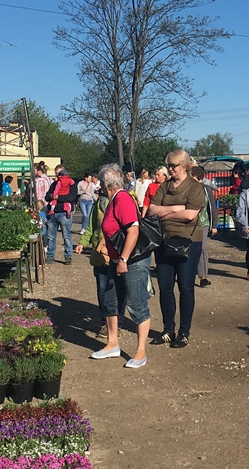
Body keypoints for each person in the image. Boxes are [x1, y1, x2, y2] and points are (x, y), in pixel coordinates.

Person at [89, 164, 152, 368]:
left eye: (100, 182)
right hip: (115, 260)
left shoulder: (123, 198)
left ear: (106, 183)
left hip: (131, 260)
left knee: (137, 303)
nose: (98, 186)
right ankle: (112, 343)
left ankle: (140, 351)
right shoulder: (112, 200)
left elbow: (133, 231)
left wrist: (124, 259)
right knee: (110, 301)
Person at [149, 149, 206, 348]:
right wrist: (175, 209)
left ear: (185, 166)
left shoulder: (194, 187)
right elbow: (151, 210)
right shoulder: (164, 186)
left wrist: (165, 214)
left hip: (189, 241)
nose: (170, 169)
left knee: (186, 287)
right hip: (165, 240)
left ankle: (184, 332)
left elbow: (190, 215)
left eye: (174, 165)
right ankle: (167, 330)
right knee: (165, 287)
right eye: (169, 165)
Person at [76, 175, 126, 337]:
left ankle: (117, 322)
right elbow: (92, 225)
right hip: (99, 253)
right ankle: (106, 321)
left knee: (119, 289)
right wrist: (83, 242)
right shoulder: (99, 202)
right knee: (102, 288)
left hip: (118, 250)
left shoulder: (125, 199)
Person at [190, 165, 219, 287]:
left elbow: (212, 208)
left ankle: (203, 276)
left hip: (203, 223)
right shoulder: (188, 189)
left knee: (202, 248)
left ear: (197, 177)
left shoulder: (206, 189)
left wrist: (214, 225)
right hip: (189, 223)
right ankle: (189, 273)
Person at [45, 165, 77, 264]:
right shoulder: (54, 184)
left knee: (66, 235)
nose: (58, 176)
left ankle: (68, 256)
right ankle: (50, 256)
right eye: (56, 173)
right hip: (53, 213)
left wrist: (57, 197)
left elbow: (71, 197)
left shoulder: (72, 184)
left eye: (59, 173)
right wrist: (51, 196)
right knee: (51, 237)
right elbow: (47, 197)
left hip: (64, 213)